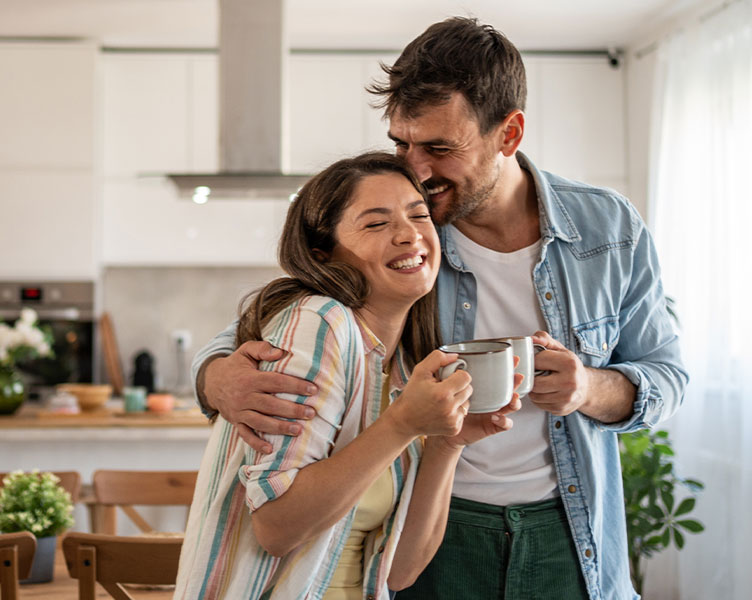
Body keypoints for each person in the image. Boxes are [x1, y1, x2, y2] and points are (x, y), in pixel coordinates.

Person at [191, 17, 687, 600]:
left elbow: (667, 378)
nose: (416, 170)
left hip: (572, 531)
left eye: (439, 148)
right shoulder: (407, 237)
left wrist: (588, 389)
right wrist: (217, 380)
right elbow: (254, 333)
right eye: (402, 143)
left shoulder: (607, 227)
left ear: (509, 133)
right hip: (429, 530)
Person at [173, 153, 521, 600]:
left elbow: (399, 572)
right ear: (323, 254)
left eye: (419, 215)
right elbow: (276, 527)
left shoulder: (402, 364)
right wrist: (402, 426)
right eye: (376, 224)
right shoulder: (320, 322)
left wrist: (448, 442)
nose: (409, 234)